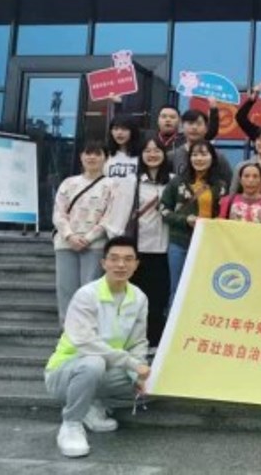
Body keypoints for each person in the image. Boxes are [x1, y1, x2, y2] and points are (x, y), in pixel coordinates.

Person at [44, 236, 149, 459]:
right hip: (66, 373)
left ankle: (91, 405)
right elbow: (86, 343)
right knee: (94, 363)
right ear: (103, 263)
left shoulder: (139, 298)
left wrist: (138, 372)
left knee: (154, 376)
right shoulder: (87, 295)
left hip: (106, 370)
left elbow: (138, 342)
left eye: (128, 259)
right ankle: (71, 424)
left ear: (136, 264)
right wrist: (131, 364)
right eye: (114, 258)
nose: (121, 265)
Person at [52, 141, 118, 323]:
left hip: (95, 245)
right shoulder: (68, 183)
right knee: (65, 290)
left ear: (106, 158)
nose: (92, 157)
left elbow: (109, 217)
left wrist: (88, 238)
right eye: (88, 153)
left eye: (97, 154)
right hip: (66, 243)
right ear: (81, 157)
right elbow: (58, 213)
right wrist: (70, 236)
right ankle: (67, 331)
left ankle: (88, 331)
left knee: (91, 291)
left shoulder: (112, 185)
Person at [160, 140, 229, 305]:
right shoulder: (177, 182)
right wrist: (185, 220)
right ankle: (173, 321)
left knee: (204, 288)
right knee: (178, 288)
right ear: (189, 158)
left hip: (208, 244)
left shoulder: (220, 185)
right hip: (180, 243)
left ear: (212, 158)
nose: (199, 158)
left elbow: (225, 214)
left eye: (204, 154)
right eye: (195, 154)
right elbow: (163, 210)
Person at [127, 135, 172, 348]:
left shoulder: (174, 181)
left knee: (159, 300)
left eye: (157, 150)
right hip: (139, 248)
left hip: (165, 249)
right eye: (147, 151)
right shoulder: (132, 182)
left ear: (164, 154)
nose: (152, 155)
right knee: (136, 300)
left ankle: (156, 343)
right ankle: (135, 342)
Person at [169, 109, 233, 186]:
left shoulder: (217, 156)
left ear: (206, 128)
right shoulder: (172, 156)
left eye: (199, 124)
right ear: (182, 127)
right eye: (190, 123)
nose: (194, 127)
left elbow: (229, 183)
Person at [152, 102, 219, 152]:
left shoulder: (187, 138)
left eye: (172, 117)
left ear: (179, 121)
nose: (168, 120)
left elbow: (210, 133)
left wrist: (213, 111)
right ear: (157, 120)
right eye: (164, 117)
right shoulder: (148, 137)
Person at [104, 114, 141, 179]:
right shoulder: (106, 155)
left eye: (124, 129)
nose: (119, 132)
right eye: (115, 129)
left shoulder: (142, 155)